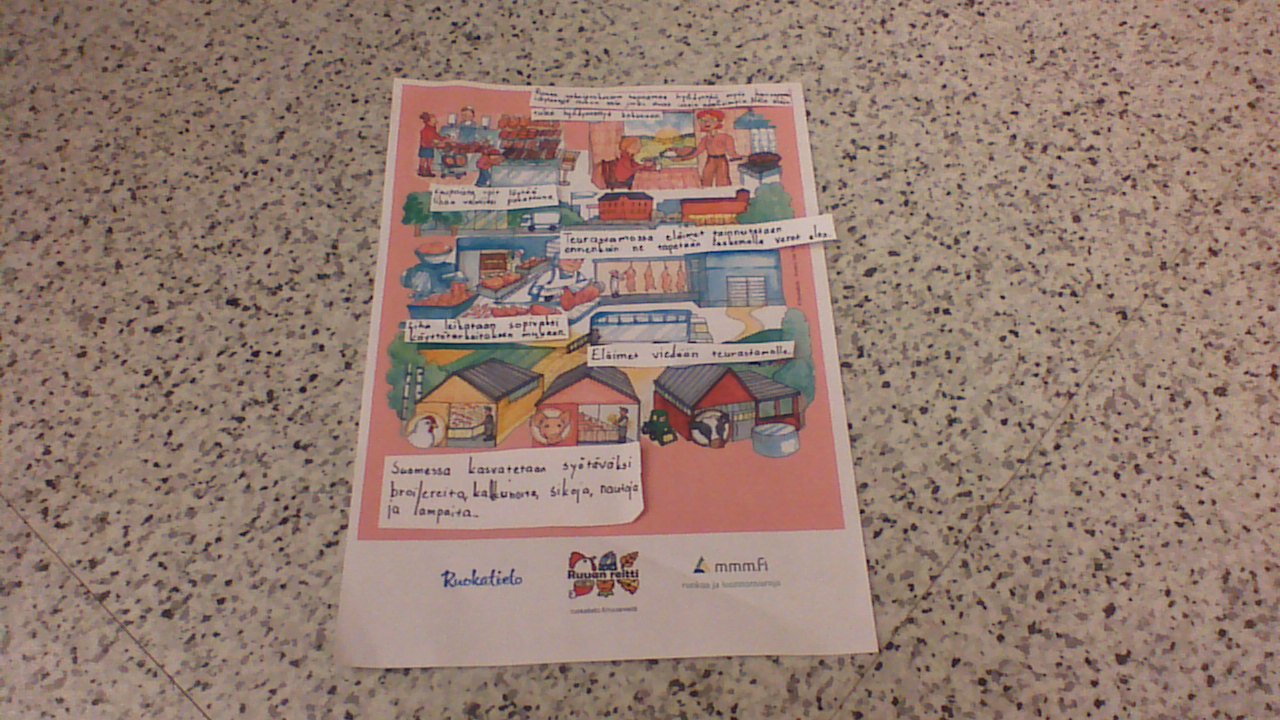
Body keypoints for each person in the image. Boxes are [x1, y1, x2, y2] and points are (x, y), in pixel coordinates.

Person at [692, 109, 741, 187]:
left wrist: (742, 157)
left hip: (721, 160)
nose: (707, 123)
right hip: (710, 160)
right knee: (706, 181)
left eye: (711, 120)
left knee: (723, 182)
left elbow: (732, 153)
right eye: (703, 120)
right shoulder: (704, 139)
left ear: (718, 121)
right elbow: (697, 152)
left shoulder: (726, 137)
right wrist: (682, 158)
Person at [418, 112, 444, 177]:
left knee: (430, 159)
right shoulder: (426, 130)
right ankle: (421, 170)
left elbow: (436, 136)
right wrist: (435, 142)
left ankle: (428, 170)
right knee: (424, 158)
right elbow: (426, 139)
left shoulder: (432, 129)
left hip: (430, 146)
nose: (435, 121)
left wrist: (443, 138)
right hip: (425, 146)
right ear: (429, 121)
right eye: (434, 120)